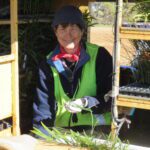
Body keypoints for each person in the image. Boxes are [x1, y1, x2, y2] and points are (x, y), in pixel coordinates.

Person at [33, 5, 112, 134]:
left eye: (74, 28)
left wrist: (87, 103)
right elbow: (43, 107)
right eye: (62, 27)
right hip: (61, 131)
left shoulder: (100, 56)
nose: (68, 34)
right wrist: (41, 139)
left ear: (82, 31)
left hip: (96, 129)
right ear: (55, 31)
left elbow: (111, 97)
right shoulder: (48, 63)